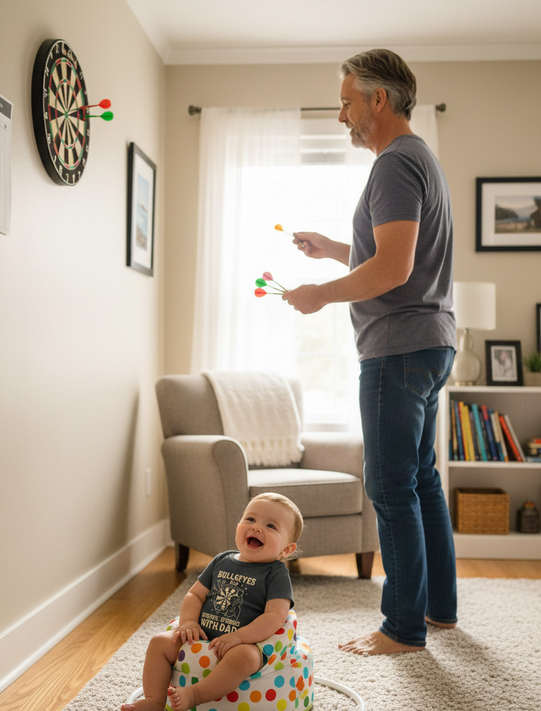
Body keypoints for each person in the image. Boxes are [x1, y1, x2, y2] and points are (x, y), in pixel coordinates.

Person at [283, 48, 457, 655]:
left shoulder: (393, 164)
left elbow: (393, 268)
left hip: (397, 350)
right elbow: (398, 260)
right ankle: (438, 610)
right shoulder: (420, 159)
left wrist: (319, 296)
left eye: (346, 102)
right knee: (422, 481)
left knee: (388, 487)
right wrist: (335, 248)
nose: (342, 116)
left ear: (377, 100)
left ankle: (401, 630)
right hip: (430, 344)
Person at [121, 493, 303, 711]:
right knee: (159, 642)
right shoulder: (221, 560)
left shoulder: (276, 573)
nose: (256, 528)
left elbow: (275, 616)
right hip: (202, 636)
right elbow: (195, 595)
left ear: (286, 549)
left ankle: (195, 694)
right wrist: (188, 623)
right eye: (250, 519)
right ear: (238, 526)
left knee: (244, 658)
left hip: (245, 643)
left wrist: (239, 637)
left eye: (271, 526)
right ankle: (154, 701)